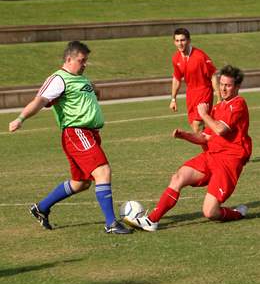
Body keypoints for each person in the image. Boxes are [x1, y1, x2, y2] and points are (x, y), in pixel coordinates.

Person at [9, 40, 132, 234]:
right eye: (82, 60)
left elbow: (89, 92)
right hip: (77, 133)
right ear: (69, 59)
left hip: (90, 134)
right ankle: (111, 223)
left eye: (86, 61)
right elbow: (39, 100)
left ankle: (41, 208)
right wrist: (20, 118)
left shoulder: (81, 79)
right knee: (103, 171)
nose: (85, 64)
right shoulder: (59, 79)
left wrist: (93, 91)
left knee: (81, 183)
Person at [124, 65, 252, 231]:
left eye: (228, 85)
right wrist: (184, 135)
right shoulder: (218, 107)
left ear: (237, 87)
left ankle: (237, 214)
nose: (223, 88)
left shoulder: (238, 104)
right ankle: (151, 220)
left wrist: (204, 115)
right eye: (221, 84)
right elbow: (205, 137)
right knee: (179, 177)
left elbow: (220, 129)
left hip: (229, 161)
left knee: (210, 212)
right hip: (211, 155)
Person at [169, 28, 221, 133]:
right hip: (191, 94)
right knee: (196, 127)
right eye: (177, 41)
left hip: (204, 91)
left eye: (182, 40)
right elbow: (177, 78)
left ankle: (212, 147)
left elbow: (213, 75)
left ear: (189, 40)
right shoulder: (176, 58)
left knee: (197, 124)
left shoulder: (200, 56)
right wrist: (173, 99)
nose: (180, 43)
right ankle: (212, 146)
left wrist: (219, 97)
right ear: (174, 42)